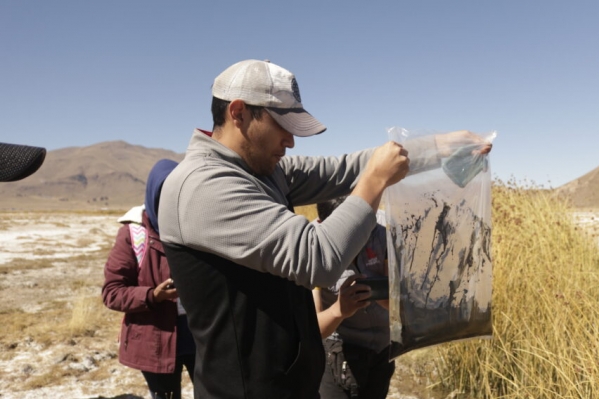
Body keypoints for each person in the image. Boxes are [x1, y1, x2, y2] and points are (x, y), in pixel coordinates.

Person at [158, 58, 491, 399]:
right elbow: (317, 258)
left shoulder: (260, 170)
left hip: (290, 383)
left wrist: (438, 148)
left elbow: (343, 170)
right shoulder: (203, 187)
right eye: (282, 125)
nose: (290, 141)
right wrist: (376, 181)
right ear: (239, 113)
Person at [102, 159, 196, 399]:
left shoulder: (196, 228)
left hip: (202, 338)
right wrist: (152, 295)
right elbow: (112, 292)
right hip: (155, 343)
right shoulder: (132, 235)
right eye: (165, 195)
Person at [314, 198, 393, 399]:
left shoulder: (384, 229)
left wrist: (390, 299)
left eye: (361, 232)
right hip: (339, 351)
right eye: (346, 238)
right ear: (325, 227)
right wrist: (338, 310)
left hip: (383, 347)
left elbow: (399, 302)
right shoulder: (311, 248)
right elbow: (313, 330)